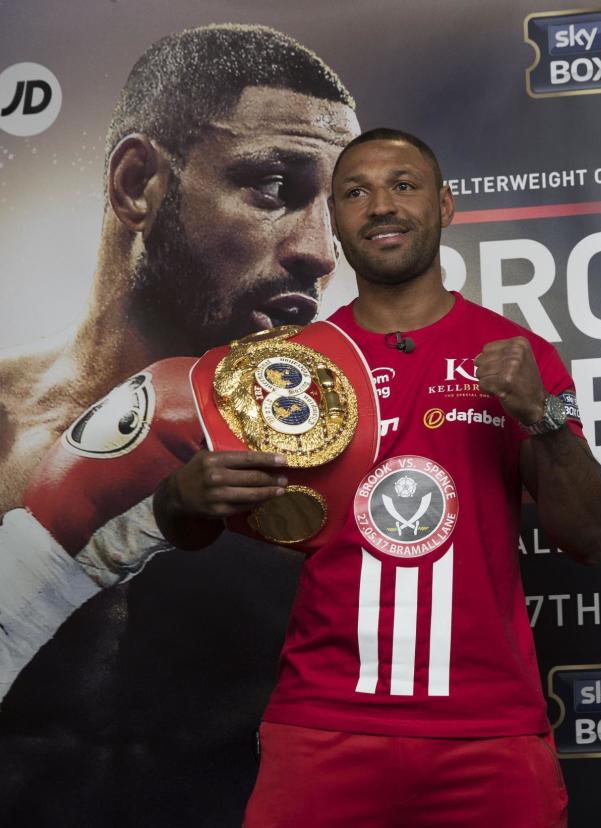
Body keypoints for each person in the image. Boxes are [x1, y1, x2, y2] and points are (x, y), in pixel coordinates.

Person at [141, 127, 601, 826]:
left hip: (488, 730)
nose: (381, 206)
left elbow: (591, 536)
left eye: (403, 185)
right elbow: (193, 533)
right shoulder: (286, 370)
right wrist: (179, 497)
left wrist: (541, 417)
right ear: (334, 222)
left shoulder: (518, 356)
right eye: (356, 192)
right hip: (324, 726)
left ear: (446, 205)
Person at [0, 24, 359, 825]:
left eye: (336, 211)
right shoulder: (5, 424)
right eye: (273, 186)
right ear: (138, 183)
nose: (319, 252)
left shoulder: (343, 464)